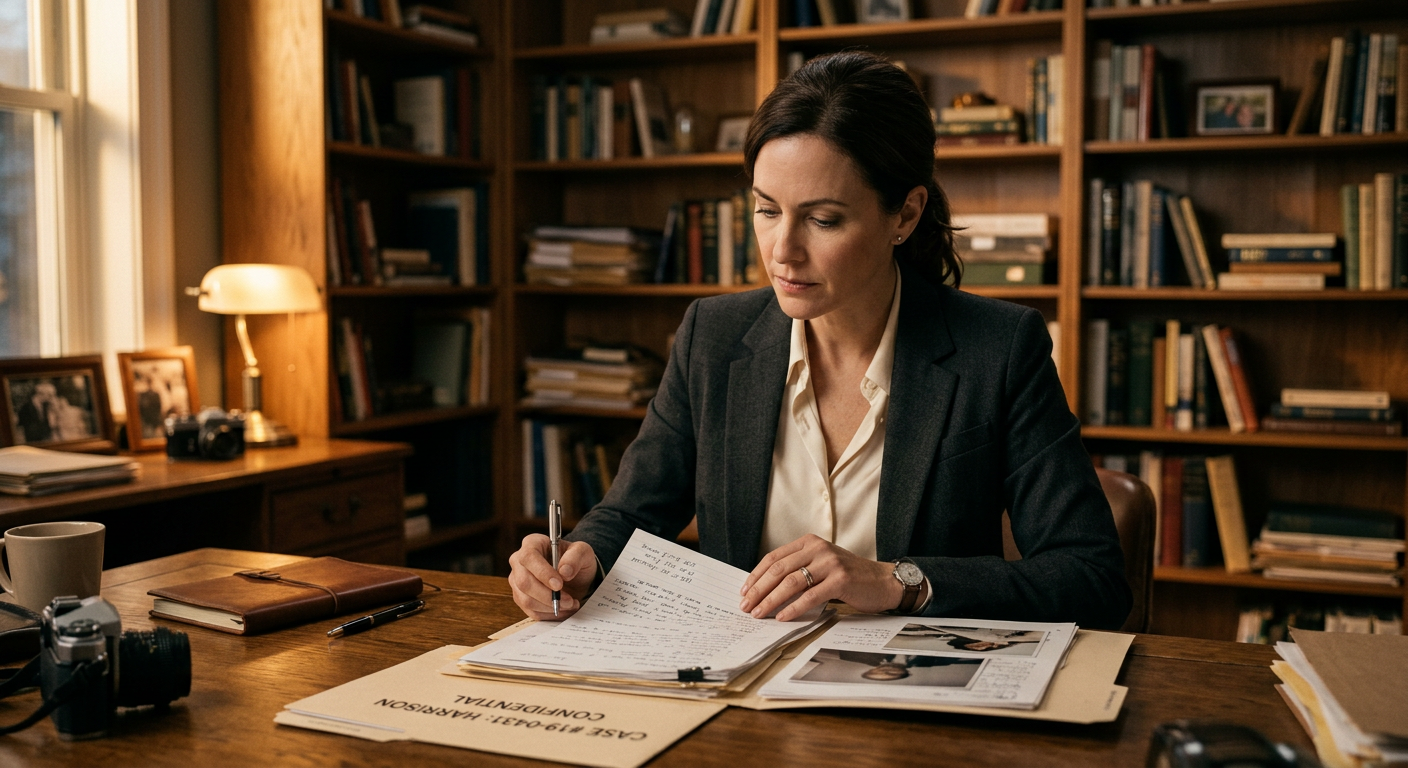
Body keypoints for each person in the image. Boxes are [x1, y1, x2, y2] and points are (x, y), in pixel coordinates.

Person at [509, 51, 1131, 630]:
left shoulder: (999, 349)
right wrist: (581, 558)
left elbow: (1091, 578)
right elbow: (633, 513)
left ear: (905, 216)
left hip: (911, 707)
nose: (782, 251)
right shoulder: (713, 337)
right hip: (739, 697)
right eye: (766, 210)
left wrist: (895, 581)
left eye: (823, 218)